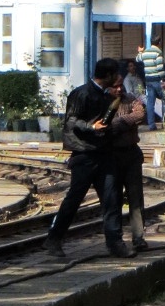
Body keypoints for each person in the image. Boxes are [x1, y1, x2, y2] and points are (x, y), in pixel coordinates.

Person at [45, 58, 130, 258]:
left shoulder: (107, 96)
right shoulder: (82, 93)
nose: (118, 78)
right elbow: (71, 121)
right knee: (74, 198)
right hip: (84, 154)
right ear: (107, 75)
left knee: (112, 198)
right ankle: (54, 239)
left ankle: (115, 243)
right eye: (115, 74)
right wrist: (92, 127)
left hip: (104, 153)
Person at [111, 71, 150, 253]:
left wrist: (118, 122)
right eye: (115, 86)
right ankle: (116, 238)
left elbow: (140, 114)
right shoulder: (103, 102)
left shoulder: (130, 99)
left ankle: (138, 237)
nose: (119, 89)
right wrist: (127, 122)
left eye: (121, 85)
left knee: (136, 198)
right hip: (112, 156)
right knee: (114, 198)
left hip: (131, 154)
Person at [138, 38, 164, 129]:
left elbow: (138, 59)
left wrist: (140, 52)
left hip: (148, 80)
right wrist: (164, 79)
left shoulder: (145, 52)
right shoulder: (158, 52)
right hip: (157, 80)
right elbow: (160, 68)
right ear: (159, 43)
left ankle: (151, 125)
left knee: (150, 102)